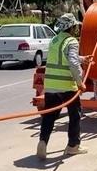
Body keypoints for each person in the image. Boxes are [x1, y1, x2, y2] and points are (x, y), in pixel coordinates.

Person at [37, 13, 93, 160]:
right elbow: (73, 63)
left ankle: (43, 141)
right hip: (67, 85)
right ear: (72, 27)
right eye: (75, 26)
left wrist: (83, 59)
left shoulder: (54, 40)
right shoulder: (72, 41)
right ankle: (73, 146)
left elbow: (64, 58)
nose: (76, 29)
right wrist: (80, 82)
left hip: (50, 85)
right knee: (75, 115)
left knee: (49, 115)